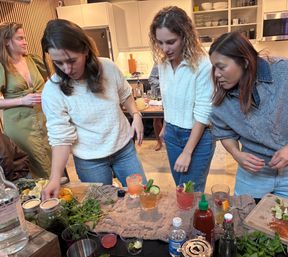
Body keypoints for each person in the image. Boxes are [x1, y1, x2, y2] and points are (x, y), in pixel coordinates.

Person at [209, 32, 288, 199]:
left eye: (221, 67)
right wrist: (236, 154)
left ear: (245, 62)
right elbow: (224, 131)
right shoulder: (223, 96)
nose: (216, 74)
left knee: (286, 222)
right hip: (253, 174)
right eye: (214, 67)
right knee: (245, 219)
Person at [40, 19, 146, 199]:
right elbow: (60, 138)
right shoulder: (52, 90)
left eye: (72, 60)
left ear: (85, 50)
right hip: (90, 161)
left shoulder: (108, 68)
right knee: (103, 208)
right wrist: (55, 178)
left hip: (124, 150)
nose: (66, 69)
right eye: (58, 63)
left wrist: (135, 114)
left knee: (142, 196)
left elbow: (124, 93)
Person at [149, 6, 215, 192]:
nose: (164, 49)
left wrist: (187, 151)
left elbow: (203, 111)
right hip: (172, 134)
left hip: (197, 136)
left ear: (185, 36)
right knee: (180, 188)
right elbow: (170, 99)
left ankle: (192, 221)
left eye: (171, 42)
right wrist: (167, 125)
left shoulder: (202, 64)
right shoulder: (162, 63)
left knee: (191, 191)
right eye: (160, 42)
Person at [0, 22, 51, 178]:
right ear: (7, 41)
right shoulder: (2, 66)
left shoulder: (33, 60)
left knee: (55, 161)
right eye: (20, 38)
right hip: (20, 126)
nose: (25, 42)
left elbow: (50, 83)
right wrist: (22, 100)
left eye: (25, 38)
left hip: (45, 120)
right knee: (38, 169)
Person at [148, 65, 163, 151]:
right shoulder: (159, 63)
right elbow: (151, 79)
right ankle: (159, 142)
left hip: (173, 96)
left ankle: (168, 142)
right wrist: (164, 84)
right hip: (158, 96)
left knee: (168, 121)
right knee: (157, 120)